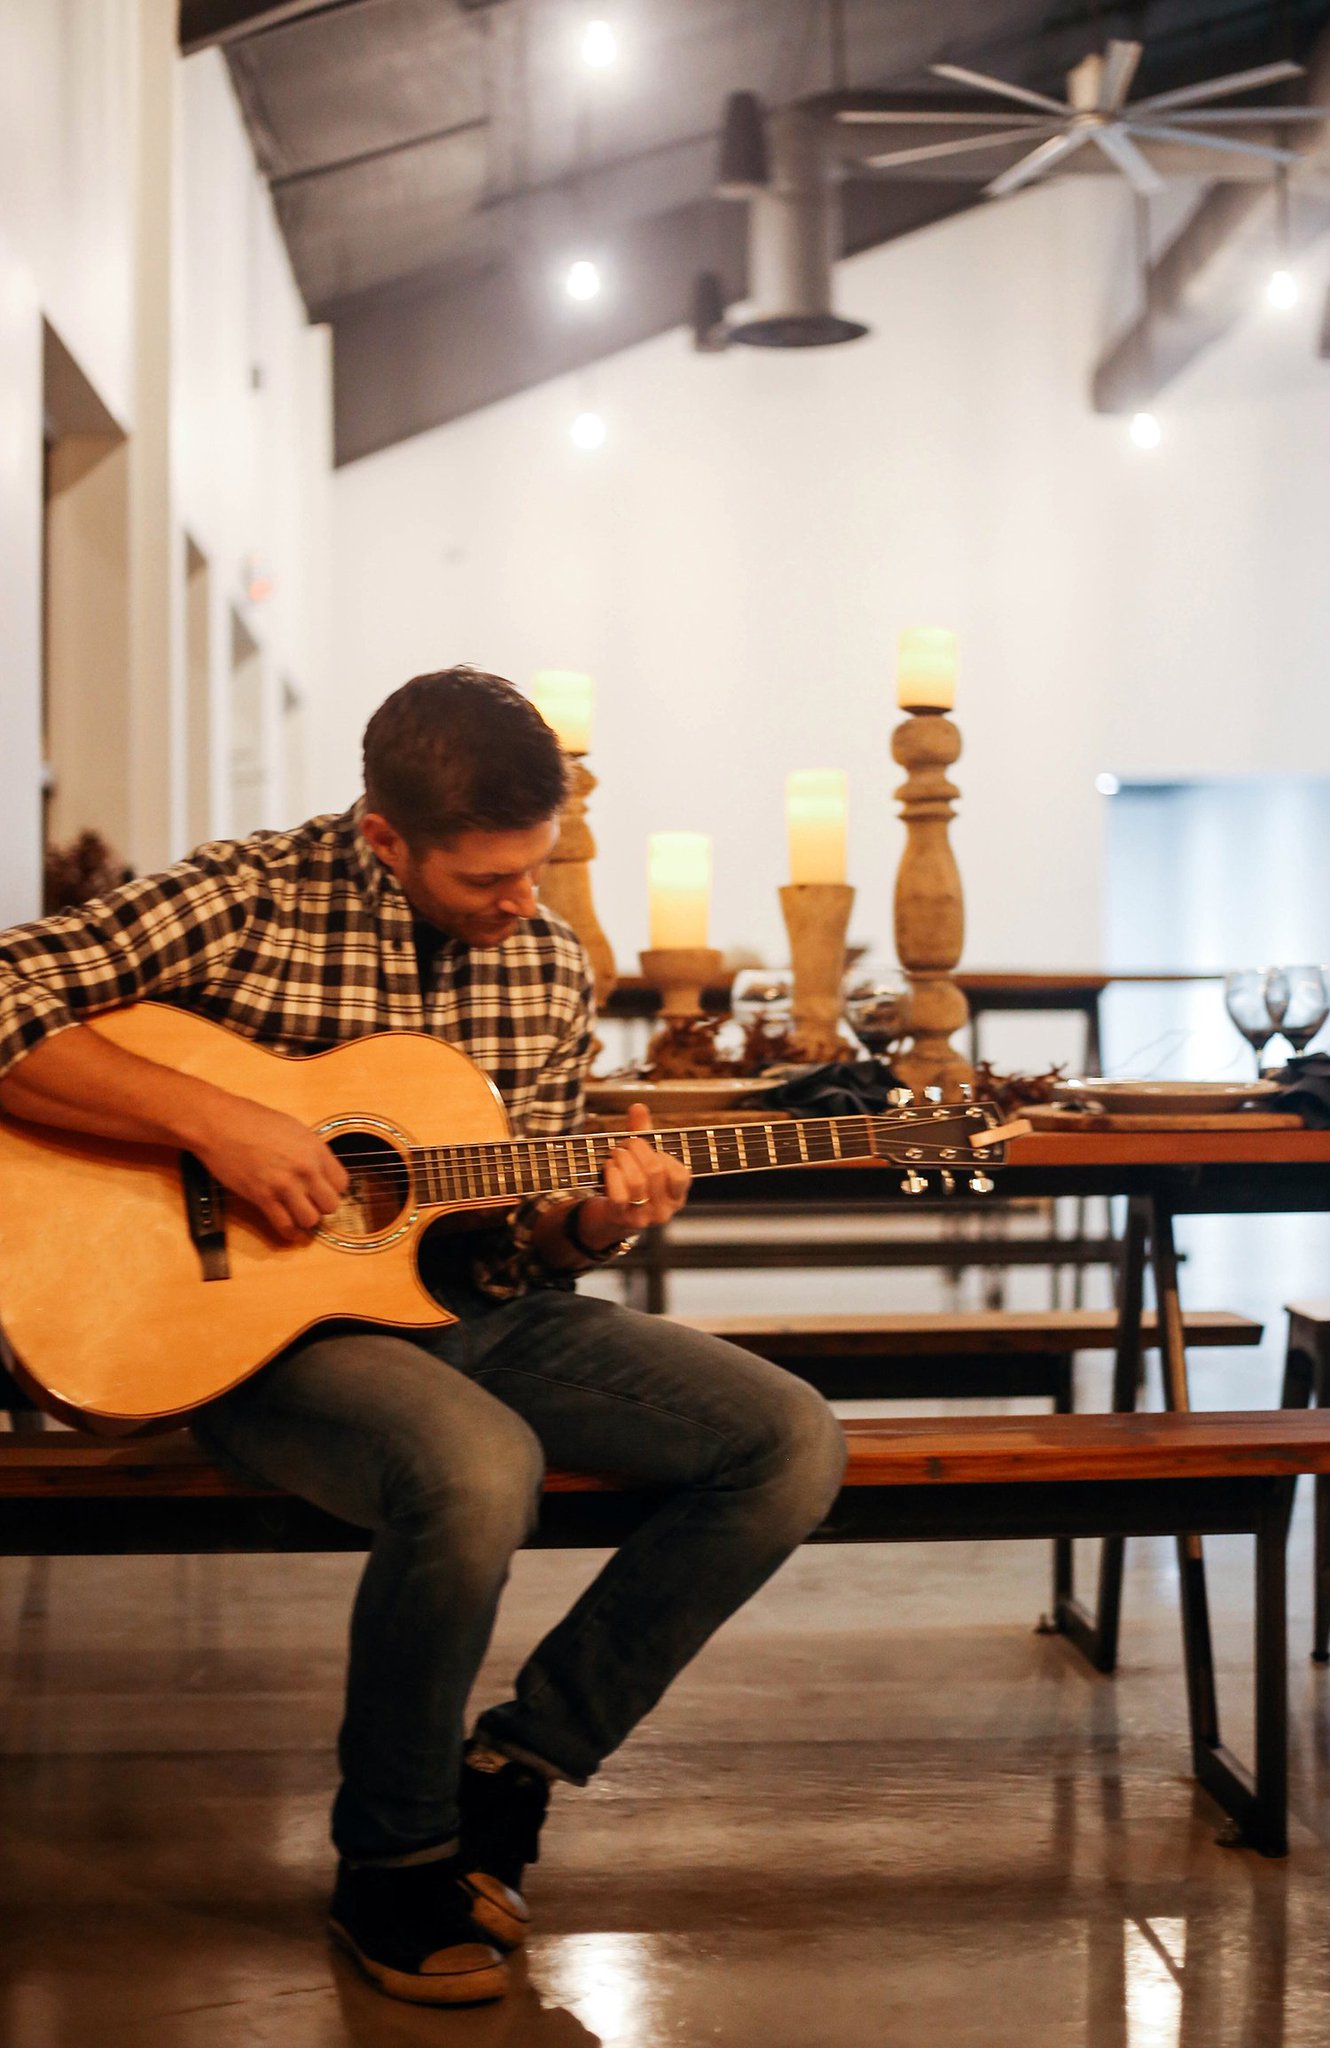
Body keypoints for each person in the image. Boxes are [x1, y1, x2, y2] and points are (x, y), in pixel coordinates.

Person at [0, 667, 847, 2008]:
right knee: (473, 1466)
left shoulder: (547, 960)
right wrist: (214, 1122)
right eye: (486, 881)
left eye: (538, 870)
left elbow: (511, 1241)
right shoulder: (247, 894)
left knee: (788, 1439)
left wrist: (591, 1228)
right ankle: (392, 1859)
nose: (522, 906)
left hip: (465, 1310)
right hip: (244, 1331)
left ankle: (513, 1769)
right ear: (385, 838)